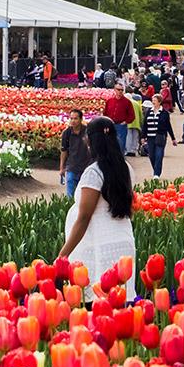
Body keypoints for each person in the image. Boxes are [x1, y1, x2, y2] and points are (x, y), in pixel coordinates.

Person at [58, 116, 136, 302]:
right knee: (119, 304)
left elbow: (84, 217)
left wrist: (62, 256)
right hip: (122, 241)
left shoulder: (94, 172)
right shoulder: (125, 168)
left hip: (98, 245)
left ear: (90, 140)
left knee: (98, 304)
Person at [142, 94, 177, 178]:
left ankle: (156, 174)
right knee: (151, 155)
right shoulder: (148, 111)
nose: (153, 102)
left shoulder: (164, 113)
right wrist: (142, 137)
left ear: (159, 102)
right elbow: (145, 125)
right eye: (152, 100)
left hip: (160, 136)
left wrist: (173, 138)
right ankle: (156, 169)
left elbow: (168, 126)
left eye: (155, 100)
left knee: (159, 155)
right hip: (150, 137)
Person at [60, 109, 92, 198]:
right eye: (71, 118)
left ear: (81, 119)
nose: (73, 121)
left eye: (76, 118)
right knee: (70, 193)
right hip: (72, 166)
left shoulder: (87, 132)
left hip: (85, 166)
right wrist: (62, 167)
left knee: (82, 193)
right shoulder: (67, 133)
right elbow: (64, 151)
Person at [103, 83, 135, 152]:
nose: (120, 91)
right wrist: (105, 125)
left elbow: (132, 115)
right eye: (118, 89)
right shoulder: (109, 101)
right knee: (110, 145)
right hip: (110, 125)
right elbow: (105, 114)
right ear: (114, 90)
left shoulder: (127, 102)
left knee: (120, 146)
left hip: (121, 126)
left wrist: (125, 122)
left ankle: (120, 161)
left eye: (122, 90)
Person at [125, 87, 143, 157]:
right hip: (136, 122)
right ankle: (133, 150)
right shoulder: (136, 103)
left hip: (128, 122)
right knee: (135, 137)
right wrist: (141, 122)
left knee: (128, 137)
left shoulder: (126, 103)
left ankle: (128, 150)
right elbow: (140, 113)